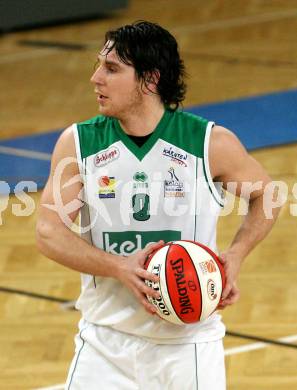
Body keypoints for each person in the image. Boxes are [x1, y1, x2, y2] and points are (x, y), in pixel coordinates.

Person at [36, 21, 280, 389]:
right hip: (104, 342)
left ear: (149, 80)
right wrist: (120, 267)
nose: (95, 78)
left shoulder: (209, 144)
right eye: (99, 65)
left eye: (111, 68)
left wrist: (237, 254)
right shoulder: (79, 143)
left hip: (188, 345)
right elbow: (48, 233)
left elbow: (268, 194)